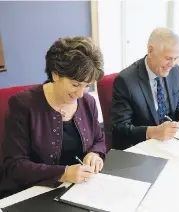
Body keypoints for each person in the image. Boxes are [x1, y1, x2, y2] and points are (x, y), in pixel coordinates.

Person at [0, 37, 107, 198]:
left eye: (87, 85)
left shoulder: (88, 102)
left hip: (78, 189)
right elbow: (14, 165)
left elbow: (99, 139)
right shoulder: (22, 105)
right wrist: (64, 173)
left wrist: (95, 154)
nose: (80, 94)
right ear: (55, 74)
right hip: (34, 192)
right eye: (75, 84)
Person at [111, 27, 179, 150]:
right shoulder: (126, 81)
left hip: (170, 142)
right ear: (150, 50)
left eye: (176, 58)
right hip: (142, 147)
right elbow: (120, 128)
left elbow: (178, 101)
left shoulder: (174, 70)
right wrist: (152, 132)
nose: (172, 64)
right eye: (168, 58)